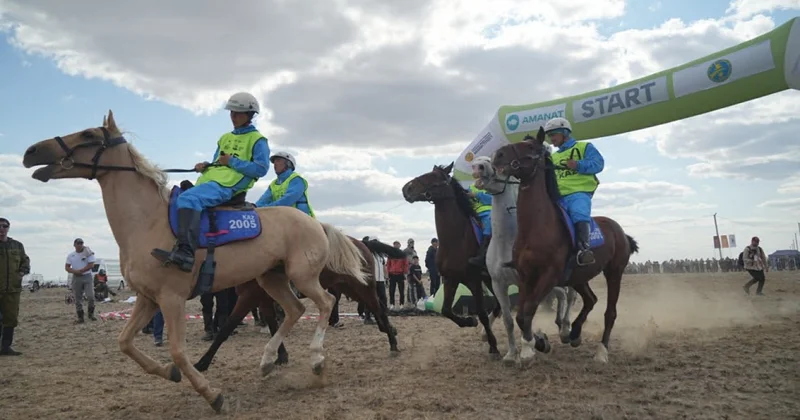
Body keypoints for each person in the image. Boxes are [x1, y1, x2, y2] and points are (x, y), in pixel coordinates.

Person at [152, 92, 270, 272]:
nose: (233, 117)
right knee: (177, 196)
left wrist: (232, 161)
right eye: (231, 112)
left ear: (250, 115)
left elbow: (261, 169)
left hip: (229, 186)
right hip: (211, 182)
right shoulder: (224, 138)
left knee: (188, 200)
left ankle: (186, 253)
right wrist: (206, 166)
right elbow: (218, 162)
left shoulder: (258, 140)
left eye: (238, 113)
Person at [543, 117, 604, 266]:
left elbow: (598, 164)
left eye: (554, 135)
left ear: (565, 132)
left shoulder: (584, 147)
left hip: (579, 192)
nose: (551, 139)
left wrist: (578, 164)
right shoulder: (553, 156)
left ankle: (584, 250)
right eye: (549, 136)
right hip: (557, 196)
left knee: (578, 212)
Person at [0, 217, 30, 356]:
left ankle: (6, 347)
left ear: (8, 228)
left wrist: (22, 272)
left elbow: (25, 260)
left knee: (10, 319)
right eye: (0, 226)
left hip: (12, 290)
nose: (2, 229)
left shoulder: (17, 246)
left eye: (5, 226)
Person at [255, 151, 315, 217]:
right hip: (285, 219)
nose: (275, 164)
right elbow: (264, 200)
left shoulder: (296, 179)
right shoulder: (273, 184)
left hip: (302, 221)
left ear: (288, 164)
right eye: (274, 162)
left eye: (278, 160)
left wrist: (266, 208)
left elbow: (287, 200)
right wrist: (253, 207)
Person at [466, 156, 493, 267]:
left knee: (488, 225)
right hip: (474, 215)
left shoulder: (492, 184)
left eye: (479, 168)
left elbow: (492, 199)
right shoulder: (471, 186)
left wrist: (476, 195)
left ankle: (483, 256)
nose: (476, 171)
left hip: (489, 213)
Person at [66, 238, 97, 323]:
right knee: (78, 298)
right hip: (76, 277)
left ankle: (91, 314)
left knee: (90, 296)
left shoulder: (88, 253)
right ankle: (80, 317)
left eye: (81, 243)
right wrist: (75, 271)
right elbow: (67, 267)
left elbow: (91, 265)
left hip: (87, 276)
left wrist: (82, 270)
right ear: (74, 245)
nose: (80, 245)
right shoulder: (71, 255)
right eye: (78, 243)